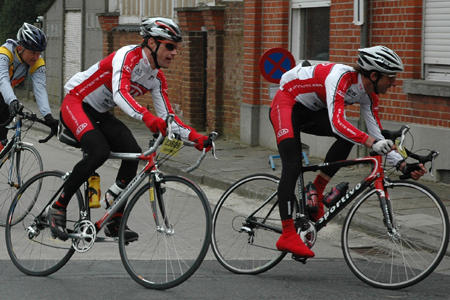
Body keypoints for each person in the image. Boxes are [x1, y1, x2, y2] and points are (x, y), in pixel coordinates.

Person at [47, 17, 211, 242]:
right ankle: (58, 206)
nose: (174, 53)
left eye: (176, 48)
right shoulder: (128, 56)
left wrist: (195, 137)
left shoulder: (157, 78)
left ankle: (115, 217)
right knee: (99, 151)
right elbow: (120, 94)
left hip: (100, 113)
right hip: (77, 102)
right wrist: (147, 117)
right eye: (170, 46)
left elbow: (167, 117)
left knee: (134, 153)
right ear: (152, 44)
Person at [269, 46, 427, 258]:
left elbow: (377, 134)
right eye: (390, 77)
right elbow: (337, 123)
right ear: (373, 75)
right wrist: (371, 141)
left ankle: (316, 190)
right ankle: (287, 234)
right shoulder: (340, 78)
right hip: (287, 102)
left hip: (311, 110)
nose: (394, 83)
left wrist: (402, 164)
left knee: (349, 135)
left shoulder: (369, 96)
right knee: (293, 165)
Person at [0, 22, 58, 148]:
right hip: (3, 90)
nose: (36, 57)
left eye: (39, 53)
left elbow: (40, 89)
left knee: (2, 141)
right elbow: (3, 80)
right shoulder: (5, 54)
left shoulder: (37, 62)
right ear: (20, 48)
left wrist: (47, 115)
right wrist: (13, 101)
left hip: (4, 96)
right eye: (32, 53)